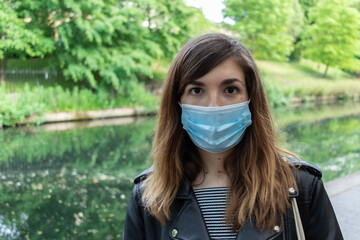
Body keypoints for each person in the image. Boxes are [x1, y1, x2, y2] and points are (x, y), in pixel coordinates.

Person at [122, 33, 343, 240]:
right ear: (177, 104)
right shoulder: (148, 198)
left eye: (230, 90)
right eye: (197, 91)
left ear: (251, 99)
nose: (214, 106)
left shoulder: (300, 188)